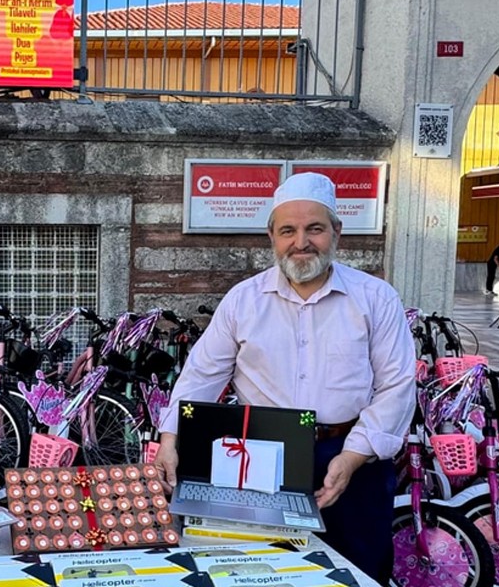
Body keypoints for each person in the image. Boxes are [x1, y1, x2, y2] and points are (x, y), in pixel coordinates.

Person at [152, 172, 415, 584]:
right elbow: (200, 375)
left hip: (350, 457)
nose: (301, 242)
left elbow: (397, 386)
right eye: (288, 230)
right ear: (271, 236)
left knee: (357, 568)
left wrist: (353, 456)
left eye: (315, 229)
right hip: (261, 461)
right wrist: (170, 439)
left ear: (337, 232)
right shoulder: (244, 300)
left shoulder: (376, 298)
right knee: (259, 571)